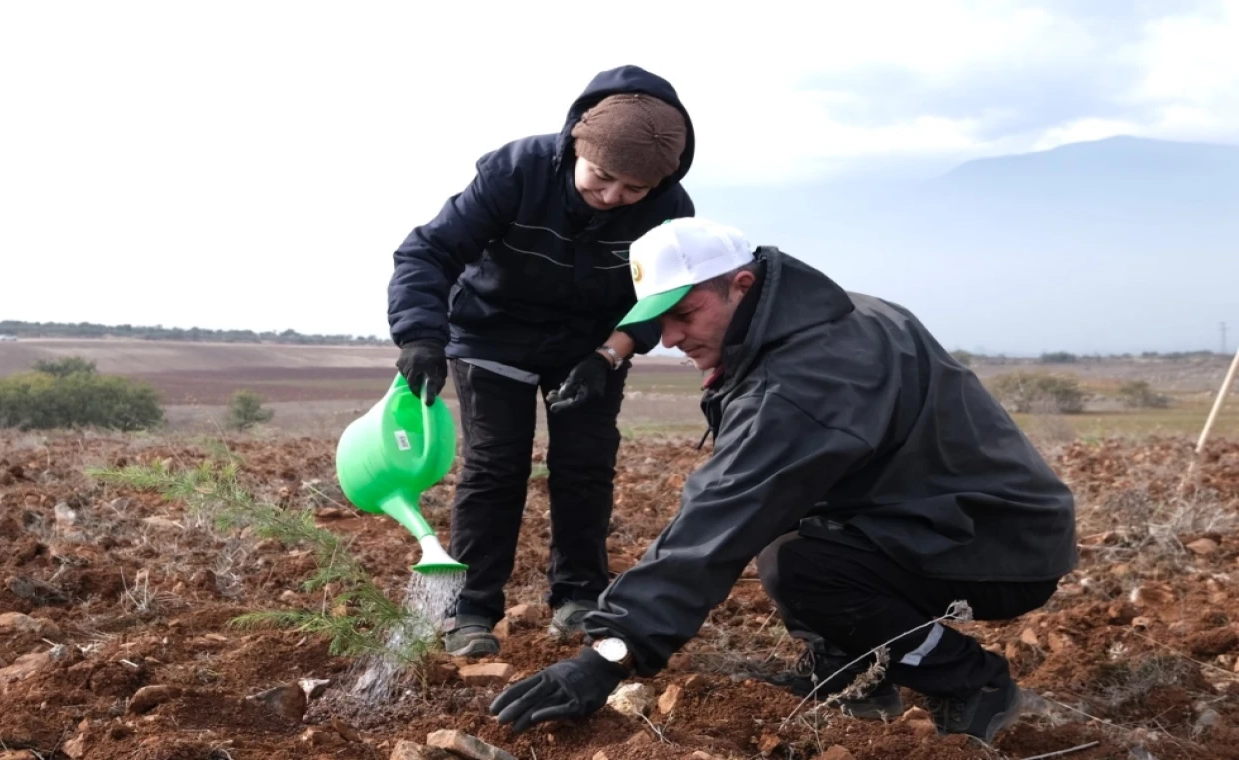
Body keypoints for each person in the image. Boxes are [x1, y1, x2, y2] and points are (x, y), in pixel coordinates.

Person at [488, 217, 1078, 743]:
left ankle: (972, 680)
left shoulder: (804, 376)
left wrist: (610, 653)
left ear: (739, 285)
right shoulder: (819, 314)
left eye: (685, 314)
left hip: (998, 541)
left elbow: (723, 513)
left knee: (800, 565)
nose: (669, 339)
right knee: (796, 532)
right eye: (658, 321)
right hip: (953, 514)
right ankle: (852, 676)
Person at [386, 65, 696, 657]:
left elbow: (662, 295)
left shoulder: (670, 208)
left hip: (590, 344)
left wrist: (608, 356)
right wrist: (420, 335)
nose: (611, 199)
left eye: (632, 191)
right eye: (601, 179)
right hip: (491, 332)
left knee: (584, 464)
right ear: (576, 141)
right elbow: (428, 251)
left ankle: (579, 599)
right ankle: (470, 611)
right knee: (496, 467)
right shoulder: (515, 172)